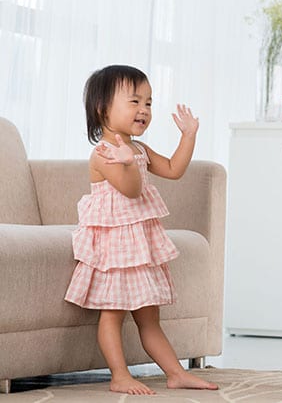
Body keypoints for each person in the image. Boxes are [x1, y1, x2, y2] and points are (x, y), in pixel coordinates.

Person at [64, 65, 218, 395]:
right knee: (113, 314)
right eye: (134, 101)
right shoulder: (105, 153)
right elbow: (131, 191)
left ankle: (175, 372)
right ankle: (119, 374)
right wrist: (127, 163)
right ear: (102, 108)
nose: (144, 110)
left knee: (150, 318)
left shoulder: (138, 149)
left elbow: (174, 169)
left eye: (148, 102)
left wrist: (188, 136)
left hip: (140, 247)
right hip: (116, 249)